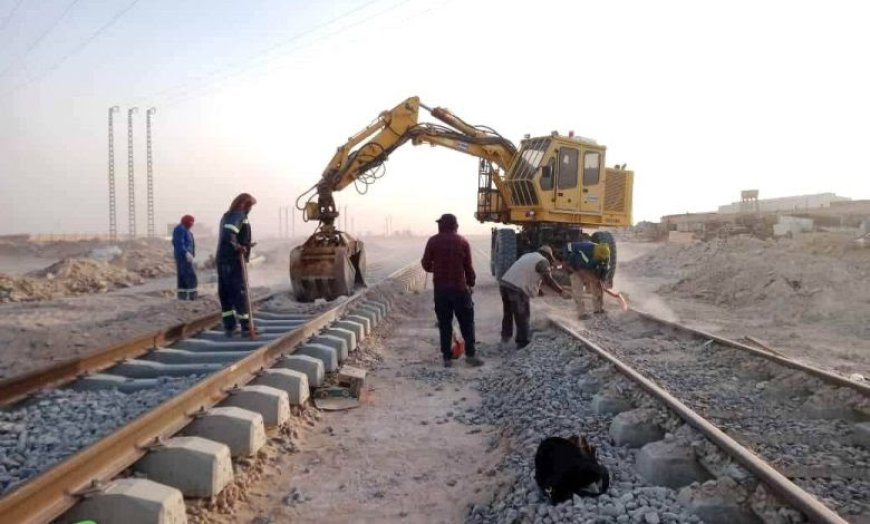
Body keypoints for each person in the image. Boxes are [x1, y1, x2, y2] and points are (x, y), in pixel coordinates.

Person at [421, 213, 484, 368]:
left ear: (441, 225)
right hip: (459, 289)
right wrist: (471, 283)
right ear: (455, 226)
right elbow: (468, 267)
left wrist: (436, 269)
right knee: (467, 323)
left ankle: (447, 358)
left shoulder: (433, 241)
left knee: (445, 324)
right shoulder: (462, 242)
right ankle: (470, 355)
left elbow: (425, 263)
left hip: (441, 290)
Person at [499, 245, 572, 349]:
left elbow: (527, 273)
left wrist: (538, 290)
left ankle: (505, 339)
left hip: (505, 284)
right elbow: (548, 280)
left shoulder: (528, 256)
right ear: (547, 255)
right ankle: (522, 343)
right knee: (523, 315)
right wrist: (561, 292)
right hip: (517, 289)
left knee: (508, 314)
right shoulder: (542, 261)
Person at [217, 193, 256, 337]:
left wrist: (244, 244)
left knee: (226, 293)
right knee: (239, 293)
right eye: (251, 205)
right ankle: (247, 327)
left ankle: (230, 326)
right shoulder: (238, 215)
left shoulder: (228, 215)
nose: (251, 209)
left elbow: (232, 234)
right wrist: (238, 247)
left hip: (223, 258)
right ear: (245, 204)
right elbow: (229, 234)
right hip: (233, 260)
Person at [563, 239, 611, 318]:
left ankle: (598, 309)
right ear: (596, 253)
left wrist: (601, 282)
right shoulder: (586, 249)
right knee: (577, 287)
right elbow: (568, 246)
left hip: (587, 265)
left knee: (597, 284)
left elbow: (603, 272)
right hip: (573, 263)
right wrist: (565, 260)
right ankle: (581, 313)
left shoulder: (605, 256)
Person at [172, 214, 198, 300]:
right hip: (183, 257)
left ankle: (182, 296)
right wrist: (186, 253)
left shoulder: (187, 231)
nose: (192, 225)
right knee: (190, 276)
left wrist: (191, 254)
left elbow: (190, 244)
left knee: (183, 277)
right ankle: (192, 296)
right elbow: (179, 242)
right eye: (191, 223)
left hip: (186, 257)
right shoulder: (180, 229)